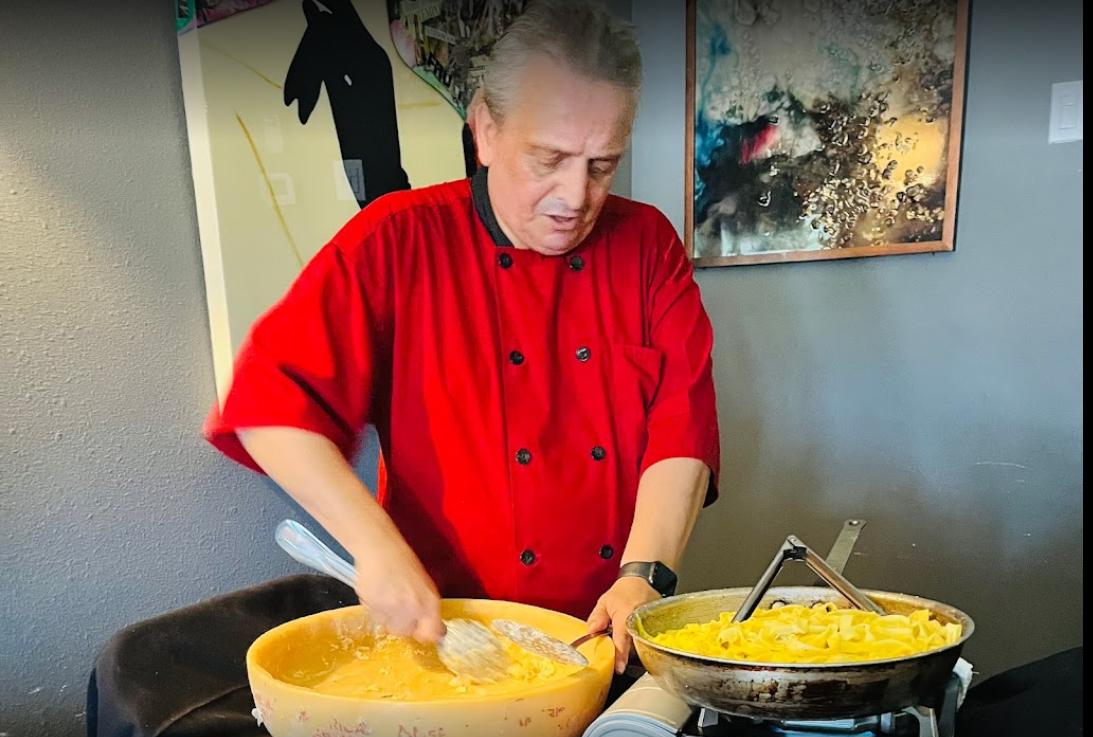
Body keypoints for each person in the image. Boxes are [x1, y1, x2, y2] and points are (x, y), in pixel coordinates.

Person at [203, 0, 721, 674]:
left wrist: (645, 575)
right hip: (447, 640)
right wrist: (376, 548)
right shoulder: (395, 241)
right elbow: (270, 409)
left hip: (605, 634)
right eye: (549, 159)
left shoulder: (646, 242)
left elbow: (680, 426)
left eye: (601, 165)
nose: (574, 196)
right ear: (483, 131)